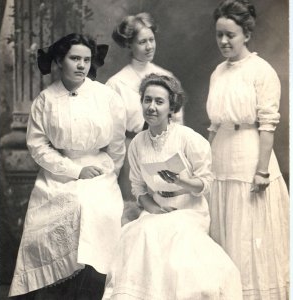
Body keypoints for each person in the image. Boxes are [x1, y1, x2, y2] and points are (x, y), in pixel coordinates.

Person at [102, 73, 243, 299]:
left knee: (175, 239)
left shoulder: (189, 138)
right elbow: (138, 189)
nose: (152, 107)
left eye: (159, 101)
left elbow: (205, 184)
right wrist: (154, 208)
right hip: (156, 210)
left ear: (171, 107)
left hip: (188, 211)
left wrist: (181, 181)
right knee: (141, 233)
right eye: (147, 100)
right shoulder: (138, 143)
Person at [8, 33, 126, 300]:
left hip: (99, 170)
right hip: (57, 171)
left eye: (86, 59)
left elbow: (117, 145)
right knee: (54, 217)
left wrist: (108, 174)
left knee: (94, 210)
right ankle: (55, 289)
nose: (82, 65)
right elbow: (38, 146)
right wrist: (73, 170)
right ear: (60, 61)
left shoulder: (106, 96)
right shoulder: (46, 100)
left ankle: (90, 287)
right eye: (75, 58)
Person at [206, 1, 289, 299]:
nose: (224, 41)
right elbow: (214, 125)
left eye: (231, 35)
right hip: (221, 158)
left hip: (251, 157)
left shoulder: (261, 70)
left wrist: (262, 170)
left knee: (250, 233)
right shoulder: (218, 72)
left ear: (246, 34)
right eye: (219, 35)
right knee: (224, 230)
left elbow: (268, 124)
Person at [106, 13, 183, 210]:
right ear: (129, 45)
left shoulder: (166, 78)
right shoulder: (116, 84)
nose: (149, 46)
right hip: (131, 154)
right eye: (142, 42)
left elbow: (178, 125)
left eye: (151, 40)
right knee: (135, 211)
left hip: (164, 153)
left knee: (166, 209)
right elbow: (112, 134)